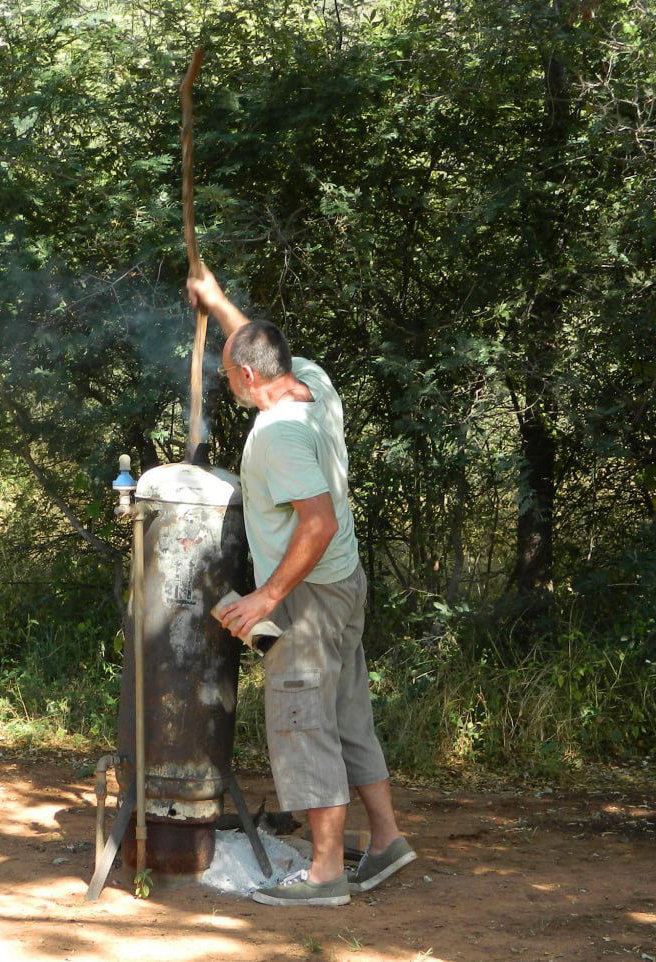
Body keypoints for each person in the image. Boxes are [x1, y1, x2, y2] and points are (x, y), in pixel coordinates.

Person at [187, 268, 416, 907]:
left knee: (301, 721)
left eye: (231, 375)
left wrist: (266, 597)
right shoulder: (311, 381)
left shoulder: (278, 435)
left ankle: (323, 874)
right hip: (345, 585)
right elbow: (249, 340)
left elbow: (318, 522)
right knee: (347, 714)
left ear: (250, 379)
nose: (228, 380)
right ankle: (387, 841)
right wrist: (216, 301)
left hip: (310, 594)